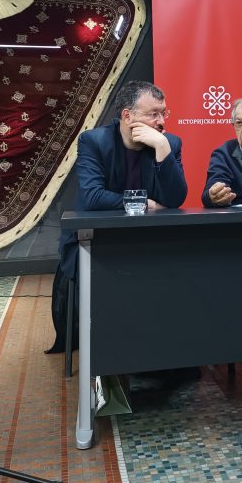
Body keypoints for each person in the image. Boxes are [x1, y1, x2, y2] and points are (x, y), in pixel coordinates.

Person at [47, 80, 188, 353]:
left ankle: (162, 349)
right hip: (96, 241)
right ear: (127, 116)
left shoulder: (168, 143)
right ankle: (113, 352)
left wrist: (162, 150)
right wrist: (146, 203)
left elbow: (175, 200)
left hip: (147, 240)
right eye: (154, 114)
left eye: (164, 113)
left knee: (175, 273)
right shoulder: (94, 141)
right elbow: (92, 197)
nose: (162, 122)